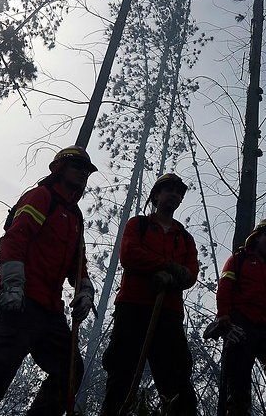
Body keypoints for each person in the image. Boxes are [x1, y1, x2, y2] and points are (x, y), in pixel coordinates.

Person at [0, 146, 98, 415]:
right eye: (77, 166)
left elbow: (78, 264)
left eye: (86, 170)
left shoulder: (75, 217)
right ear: (59, 168)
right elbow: (14, 239)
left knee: (69, 372)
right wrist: (12, 285)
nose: (83, 173)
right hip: (21, 300)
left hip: (50, 310)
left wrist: (85, 291)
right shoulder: (41, 197)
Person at [100, 173, 200, 416]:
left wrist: (172, 276)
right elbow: (130, 255)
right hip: (133, 307)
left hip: (169, 313)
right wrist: (167, 266)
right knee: (122, 372)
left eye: (179, 192)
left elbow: (191, 274)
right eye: (169, 190)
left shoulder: (185, 238)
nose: (175, 195)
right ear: (156, 195)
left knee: (176, 377)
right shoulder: (139, 225)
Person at [209, 218, 266, 415]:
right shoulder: (238, 259)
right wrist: (223, 316)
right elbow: (224, 289)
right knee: (238, 374)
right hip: (242, 323)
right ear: (257, 236)